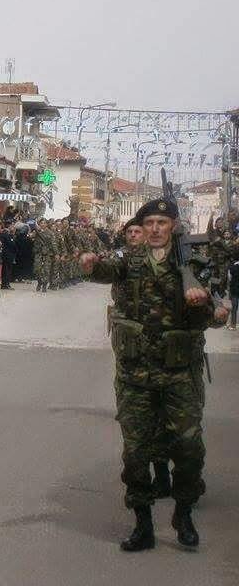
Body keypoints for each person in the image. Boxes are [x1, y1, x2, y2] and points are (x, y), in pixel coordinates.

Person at [80, 197, 227, 551]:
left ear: (174, 226)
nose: (156, 229)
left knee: (189, 448)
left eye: (163, 223)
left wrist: (208, 306)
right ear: (142, 229)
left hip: (180, 374)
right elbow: (103, 271)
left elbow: (215, 313)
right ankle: (142, 523)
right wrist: (88, 264)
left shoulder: (195, 264)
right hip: (136, 374)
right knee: (135, 452)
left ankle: (184, 512)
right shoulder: (129, 261)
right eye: (150, 224)